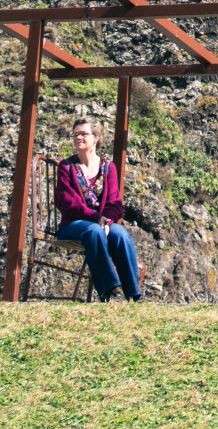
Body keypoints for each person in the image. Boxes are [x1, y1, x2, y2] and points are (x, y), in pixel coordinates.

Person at [55, 117, 141, 302]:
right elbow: (66, 202)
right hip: (73, 225)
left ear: (95, 138)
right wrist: (96, 218)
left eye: (83, 134)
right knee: (94, 231)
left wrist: (108, 220)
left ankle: (133, 294)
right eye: (75, 134)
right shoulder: (66, 167)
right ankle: (108, 292)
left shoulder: (108, 167)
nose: (78, 137)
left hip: (101, 223)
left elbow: (115, 203)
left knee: (121, 235)